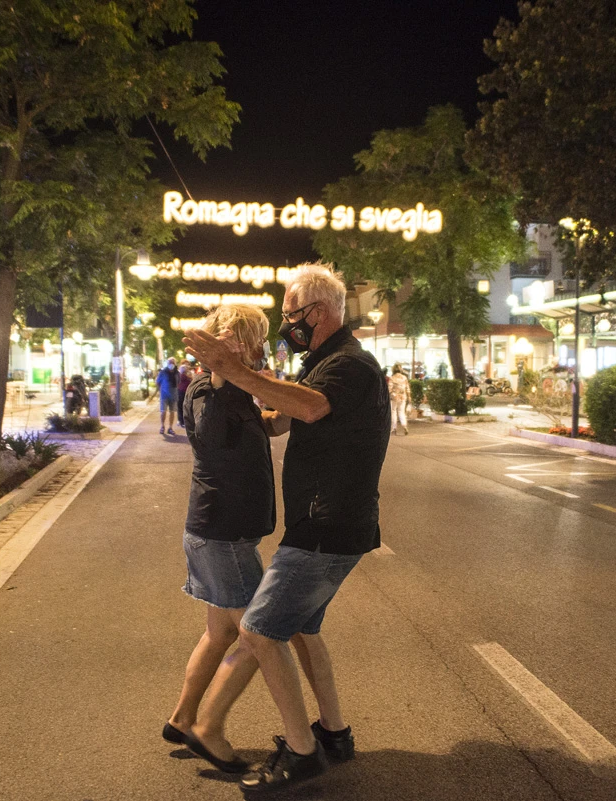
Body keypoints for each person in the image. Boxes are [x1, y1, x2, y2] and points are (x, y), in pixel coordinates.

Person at [183, 264, 390, 792]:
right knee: (300, 628)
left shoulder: (348, 365)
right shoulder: (326, 361)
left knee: (257, 630)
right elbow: (285, 415)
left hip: (325, 525)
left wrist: (236, 368)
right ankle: (333, 734)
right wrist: (235, 388)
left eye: (289, 314)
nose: (284, 324)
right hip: (324, 523)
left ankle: (300, 753)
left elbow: (311, 407)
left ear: (317, 313)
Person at [164, 305, 276, 768]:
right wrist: (225, 374)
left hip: (221, 531)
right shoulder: (211, 388)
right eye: (256, 340)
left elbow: (247, 430)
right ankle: (209, 730)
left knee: (219, 633)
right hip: (222, 532)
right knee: (261, 634)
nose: (262, 349)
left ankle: (182, 717)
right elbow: (211, 439)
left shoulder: (232, 389)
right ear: (234, 341)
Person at [155, 358, 179, 435]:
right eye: (169, 363)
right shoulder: (163, 372)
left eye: (172, 363)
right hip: (164, 395)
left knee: (172, 412)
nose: (171, 364)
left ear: (175, 364)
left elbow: (178, 382)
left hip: (174, 394)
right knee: (163, 411)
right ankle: (162, 426)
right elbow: (158, 382)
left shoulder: (177, 373)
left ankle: (170, 428)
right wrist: (162, 389)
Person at [388, 363, 410, 435]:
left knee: (393, 411)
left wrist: (389, 394)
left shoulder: (392, 378)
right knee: (401, 411)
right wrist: (409, 396)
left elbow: (389, 388)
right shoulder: (404, 378)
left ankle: (394, 428)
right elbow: (407, 388)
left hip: (394, 397)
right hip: (403, 396)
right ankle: (404, 425)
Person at [177, 360, 192, 429]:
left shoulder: (179, 376)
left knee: (180, 408)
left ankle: (181, 421)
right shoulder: (186, 377)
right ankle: (183, 421)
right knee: (185, 407)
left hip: (179, 392)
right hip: (185, 393)